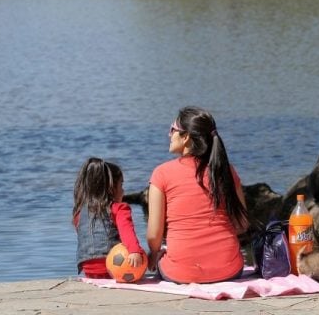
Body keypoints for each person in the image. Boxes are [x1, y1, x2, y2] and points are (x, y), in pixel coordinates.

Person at [146, 106, 248, 284]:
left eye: (173, 130)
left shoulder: (161, 173)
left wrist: (154, 255)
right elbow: (242, 224)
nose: (169, 135)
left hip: (181, 273)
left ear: (185, 137)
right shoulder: (226, 171)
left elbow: (154, 235)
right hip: (229, 269)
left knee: (166, 257)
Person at [72, 157, 146, 279]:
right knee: (141, 254)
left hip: (88, 268)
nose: (123, 190)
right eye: (121, 185)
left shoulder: (80, 213)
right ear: (111, 188)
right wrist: (134, 251)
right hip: (111, 265)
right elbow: (127, 231)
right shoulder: (119, 208)